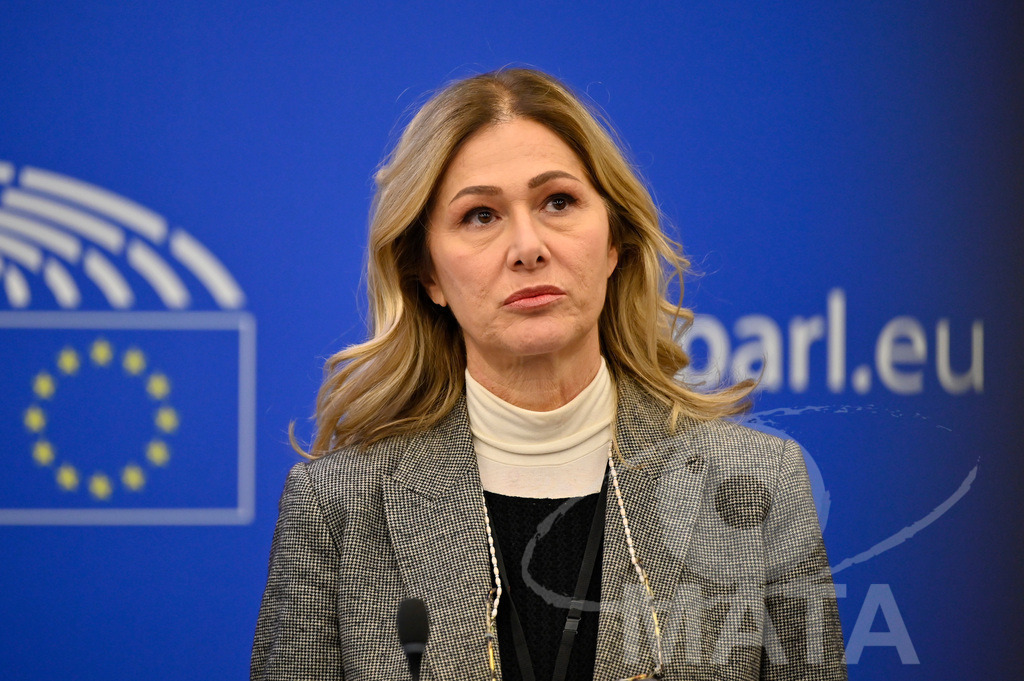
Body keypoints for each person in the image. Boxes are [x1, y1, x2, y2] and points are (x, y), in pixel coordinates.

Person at [251, 68, 847, 681]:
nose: (527, 246)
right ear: (427, 274)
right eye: (480, 216)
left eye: (558, 202)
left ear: (614, 241)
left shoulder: (756, 485)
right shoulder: (337, 508)